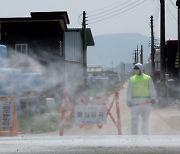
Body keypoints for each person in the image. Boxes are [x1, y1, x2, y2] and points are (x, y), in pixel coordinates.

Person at [126, 63, 156, 135]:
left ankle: (145, 134)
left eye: (137, 68)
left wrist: (153, 98)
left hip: (145, 103)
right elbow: (129, 90)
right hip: (135, 103)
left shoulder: (148, 78)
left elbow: (152, 89)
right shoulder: (132, 79)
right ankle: (134, 134)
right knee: (134, 119)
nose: (136, 70)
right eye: (135, 69)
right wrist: (128, 100)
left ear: (141, 69)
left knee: (145, 119)